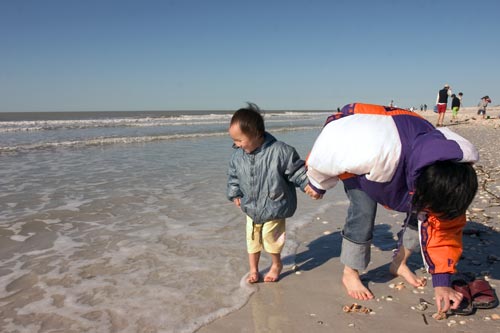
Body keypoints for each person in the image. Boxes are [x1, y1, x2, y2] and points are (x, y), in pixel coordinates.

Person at [304, 103, 479, 314]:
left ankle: (399, 263)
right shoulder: (371, 149)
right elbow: (329, 148)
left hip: (404, 160)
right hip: (361, 151)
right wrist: (317, 183)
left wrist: (441, 281)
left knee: (422, 216)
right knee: (363, 211)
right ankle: (350, 272)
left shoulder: (453, 180)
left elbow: (444, 230)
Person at [227, 103, 313, 284]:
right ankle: (253, 269)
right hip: (250, 205)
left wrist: (308, 185)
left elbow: (297, 171)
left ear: (256, 134)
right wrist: (235, 193)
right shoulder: (238, 156)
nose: (236, 144)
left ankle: (276, 264)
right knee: (252, 239)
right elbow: (234, 176)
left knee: (270, 238)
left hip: (275, 203)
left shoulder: (281, 151)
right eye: (234, 140)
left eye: (240, 140)